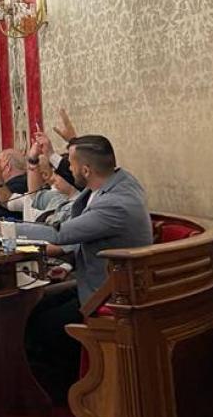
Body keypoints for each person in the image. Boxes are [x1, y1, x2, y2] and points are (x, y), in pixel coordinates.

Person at [24, 135, 152, 403]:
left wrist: (4, 230)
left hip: (111, 294)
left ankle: (73, 394)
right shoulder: (118, 180)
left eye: (69, 163)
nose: (66, 168)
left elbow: (59, 234)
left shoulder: (115, 203)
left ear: (85, 170)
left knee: (42, 327)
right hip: (96, 280)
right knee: (38, 307)